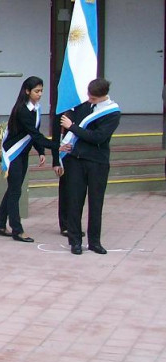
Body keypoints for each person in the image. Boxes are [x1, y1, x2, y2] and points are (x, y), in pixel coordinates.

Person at [59, 77, 121, 255]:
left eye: (93, 98)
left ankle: (94, 241)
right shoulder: (86, 106)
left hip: (97, 162)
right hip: (77, 160)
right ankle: (75, 241)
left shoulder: (112, 113)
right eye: (89, 96)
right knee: (75, 201)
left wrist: (73, 127)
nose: (89, 100)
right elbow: (69, 116)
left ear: (103, 96)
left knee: (96, 203)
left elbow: (97, 137)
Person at [0, 76, 59, 243]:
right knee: (15, 191)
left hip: (23, 152)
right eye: (37, 91)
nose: (40, 94)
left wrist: (41, 150)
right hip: (14, 153)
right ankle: (17, 229)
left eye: (41, 91)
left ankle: (0, 224)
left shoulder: (35, 108)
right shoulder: (22, 109)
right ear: (27, 91)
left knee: (13, 189)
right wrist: (56, 146)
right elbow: (34, 133)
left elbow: (33, 133)